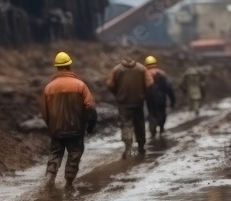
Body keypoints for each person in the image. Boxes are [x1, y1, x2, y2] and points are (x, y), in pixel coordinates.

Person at [40, 51, 97, 191]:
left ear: (57, 67)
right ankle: (69, 183)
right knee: (74, 155)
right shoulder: (80, 85)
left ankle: (49, 178)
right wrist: (90, 126)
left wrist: (51, 126)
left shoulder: (49, 87)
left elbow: (44, 111)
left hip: (56, 130)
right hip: (76, 130)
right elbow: (90, 107)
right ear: (69, 65)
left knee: (55, 153)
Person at [106, 56, 153, 159]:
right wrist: (144, 94)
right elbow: (150, 83)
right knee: (139, 124)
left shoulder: (116, 69)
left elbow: (109, 84)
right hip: (138, 102)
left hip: (123, 103)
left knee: (126, 125)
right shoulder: (141, 68)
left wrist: (117, 93)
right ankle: (141, 147)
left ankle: (128, 148)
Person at [143, 55, 176, 138]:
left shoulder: (144, 76)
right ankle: (161, 128)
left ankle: (152, 130)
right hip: (161, 98)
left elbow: (140, 90)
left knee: (152, 113)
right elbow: (168, 88)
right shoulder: (162, 74)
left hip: (150, 99)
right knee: (161, 113)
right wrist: (172, 100)